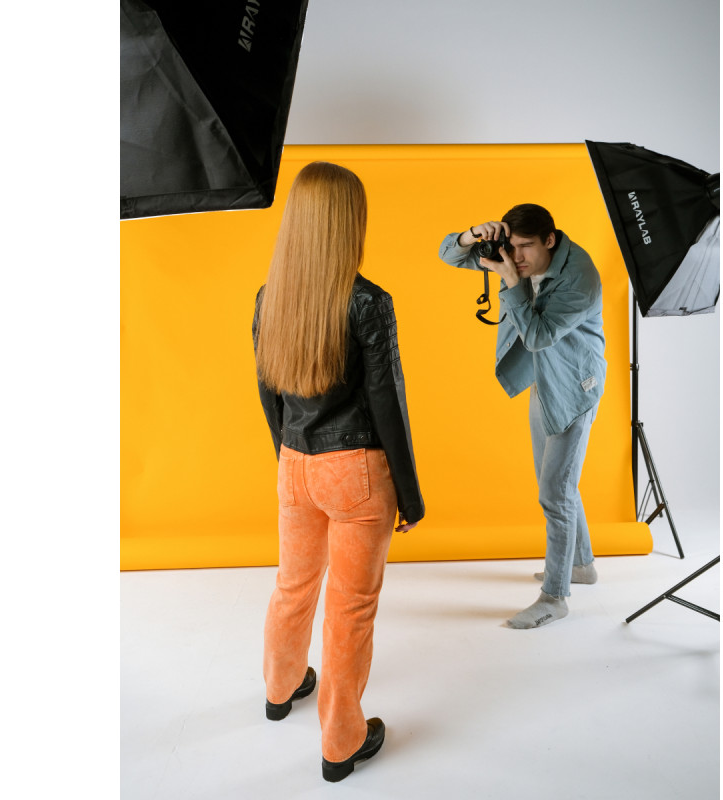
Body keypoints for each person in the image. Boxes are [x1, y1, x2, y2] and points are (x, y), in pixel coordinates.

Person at [254, 161, 424, 782]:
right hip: (356, 474)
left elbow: (268, 394)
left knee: (293, 584)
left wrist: (289, 459)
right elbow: (388, 404)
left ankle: (279, 690)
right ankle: (341, 743)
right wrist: (410, 495)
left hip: (295, 464)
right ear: (348, 222)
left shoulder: (269, 297)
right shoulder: (368, 302)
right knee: (350, 609)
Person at [438, 203, 605, 629]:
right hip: (542, 379)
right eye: (511, 247)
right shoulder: (515, 254)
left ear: (550, 239)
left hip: (574, 387)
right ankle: (581, 565)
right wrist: (473, 235)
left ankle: (555, 597)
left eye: (526, 247)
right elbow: (447, 254)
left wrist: (511, 280)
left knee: (555, 493)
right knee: (555, 481)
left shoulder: (580, 279)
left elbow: (536, 336)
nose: (516, 257)